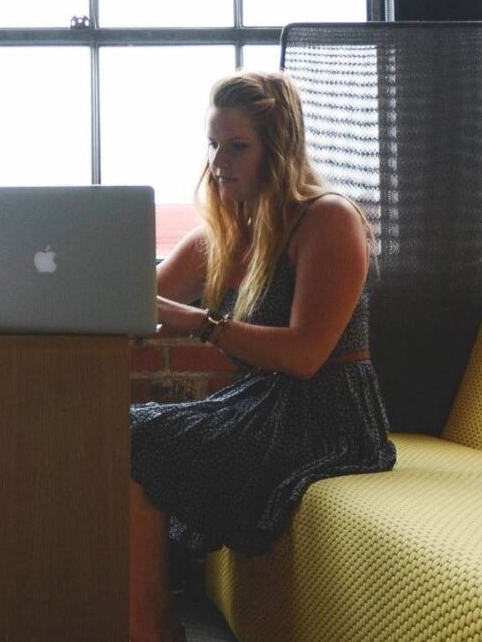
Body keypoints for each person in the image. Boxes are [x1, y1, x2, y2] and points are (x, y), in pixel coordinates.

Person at [127, 71, 397, 642]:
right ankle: (148, 621)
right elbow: (138, 303)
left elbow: (305, 355)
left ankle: (148, 627)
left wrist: (200, 323)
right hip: (263, 404)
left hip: (330, 413)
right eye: (213, 144)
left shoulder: (327, 219)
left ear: (278, 150)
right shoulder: (226, 228)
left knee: (138, 439)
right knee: (124, 432)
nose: (219, 162)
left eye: (238, 146)